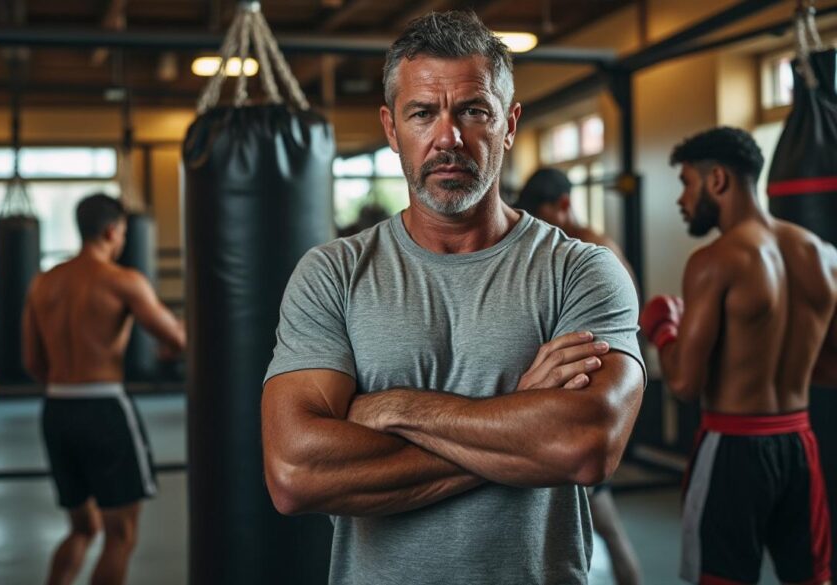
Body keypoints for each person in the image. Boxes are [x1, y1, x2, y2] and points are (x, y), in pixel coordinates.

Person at [261, 11, 645, 585]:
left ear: (509, 123)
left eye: (473, 111)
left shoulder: (580, 271)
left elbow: (584, 446)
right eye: (423, 113)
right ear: (392, 128)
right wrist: (521, 420)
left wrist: (393, 408)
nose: (448, 138)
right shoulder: (332, 274)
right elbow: (295, 472)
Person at [641, 126, 837, 585]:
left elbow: (684, 385)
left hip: (733, 448)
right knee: (812, 578)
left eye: (686, 183)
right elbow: (831, 368)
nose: (681, 199)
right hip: (799, 443)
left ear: (718, 180)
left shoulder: (715, 260)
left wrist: (663, 329)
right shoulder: (825, 256)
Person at [22, 193, 186, 585]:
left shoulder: (43, 283)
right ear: (112, 231)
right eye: (123, 233)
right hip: (104, 409)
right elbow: (177, 341)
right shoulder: (122, 281)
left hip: (56, 409)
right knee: (121, 535)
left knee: (82, 528)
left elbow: (32, 363)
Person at [518, 167, 642, 585]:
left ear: (565, 205)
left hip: (592, 403)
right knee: (597, 524)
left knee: (597, 526)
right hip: (564, 404)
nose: (539, 226)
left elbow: (618, 334)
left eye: (545, 215)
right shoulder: (554, 252)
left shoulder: (595, 251)